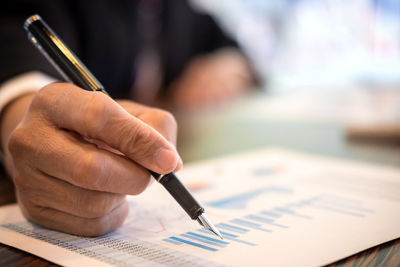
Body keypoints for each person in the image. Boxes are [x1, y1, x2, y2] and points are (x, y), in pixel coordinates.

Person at [0, 0, 254, 236]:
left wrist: (229, 63)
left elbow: (223, 41)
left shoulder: (177, 8)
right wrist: (22, 112)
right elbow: (11, 41)